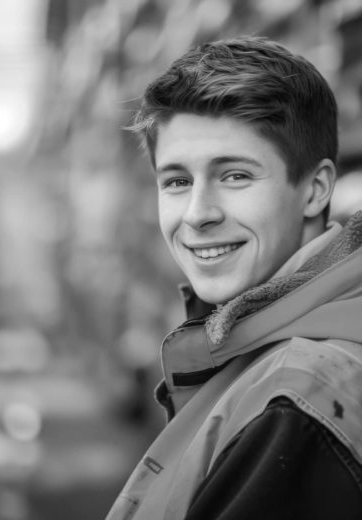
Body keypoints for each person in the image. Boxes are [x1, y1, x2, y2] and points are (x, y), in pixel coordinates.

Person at [106, 36, 362, 520]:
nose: (198, 215)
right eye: (177, 181)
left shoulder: (294, 401)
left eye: (235, 176)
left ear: (316, 189)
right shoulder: (258, 352)